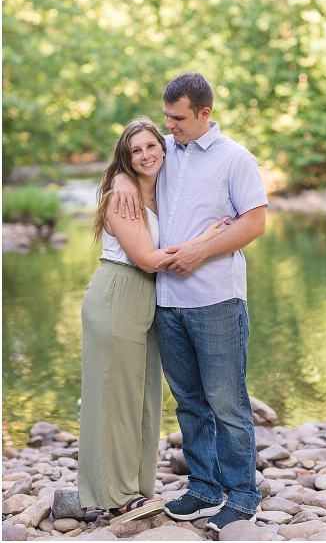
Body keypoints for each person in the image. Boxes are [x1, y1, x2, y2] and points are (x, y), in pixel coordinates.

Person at [111, 72, 268, 532]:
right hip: (167, 301)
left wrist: (201, 250)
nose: (169, 126)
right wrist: (121, 178)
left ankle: (242, 495)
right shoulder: (163, 152)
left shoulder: (235, 158)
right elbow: (130, 159)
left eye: (177, 118)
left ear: (204, 114)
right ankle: (202, 487)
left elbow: (256, 222)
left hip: (217, 299)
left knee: (227, 403)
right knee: (188, 402)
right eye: (166, 117)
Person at [79, 117, 227, 524]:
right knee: (116, 395)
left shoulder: (163, 191)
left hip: (151, 295)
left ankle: (138, 488)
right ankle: (117, 495)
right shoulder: (120, 197)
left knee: (143, 396)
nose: (145, 156)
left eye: (150, 147)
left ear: (162, 149)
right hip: (118, 292)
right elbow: (146, 259)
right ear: (125, 159)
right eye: (135, 151)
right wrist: (206, 241)